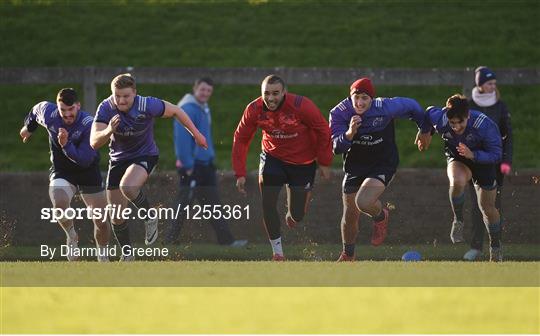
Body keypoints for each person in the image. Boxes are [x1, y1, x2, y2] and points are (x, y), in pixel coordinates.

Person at [90, 73, 207, 261]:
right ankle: (128, 256)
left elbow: (176, 110)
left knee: (128, 186)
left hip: (144, 154)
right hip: (117, 159)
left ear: (135, 93)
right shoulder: (106, 107)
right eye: (117, 95)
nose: (120, 100)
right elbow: (94, 142)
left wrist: (196, 133)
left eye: (126, 96)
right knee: (117, 216)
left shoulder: (147, 105)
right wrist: (109, 130)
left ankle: (149, 215)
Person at [330, 77, 432, 261]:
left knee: (364, 201)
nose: (360, 102)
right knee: (349, 214)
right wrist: (350, 133)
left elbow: (414, 107)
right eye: (356, 98)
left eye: (365, 98)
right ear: (350, 97)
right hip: (355, 165)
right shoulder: (339, 113)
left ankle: (380, 216)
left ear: (372, 98)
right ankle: (348, 256)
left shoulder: (385, 107)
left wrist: (424, 130)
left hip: (382, 162)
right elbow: (336, 148)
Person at [232, 74, 333, 261]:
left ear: (284, 92)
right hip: (272, 158)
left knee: (297, 216)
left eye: (275, 93)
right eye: (266, 93)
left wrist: (325, 161)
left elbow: (322, 129)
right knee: (267, 204)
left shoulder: (302, 105)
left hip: (302, 162)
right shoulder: (253, 109)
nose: (270, 98)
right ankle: (277, 253)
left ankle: (293, 208)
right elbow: (241, 138)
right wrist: (240, 172)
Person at [19, 88, 111, 262]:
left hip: (88, 171)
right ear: (58, 108)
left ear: (78, 106)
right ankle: (71, 235)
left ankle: (103, 255)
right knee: (59, 204)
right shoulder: (49, 113)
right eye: (63, 110)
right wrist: (28, 128)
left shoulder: (88, 124)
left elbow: (84, 160)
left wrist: (66, 144)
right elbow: (35, 111)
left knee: (101, 220)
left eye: (71, 110)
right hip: (62, 171)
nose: (67, 114)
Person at [420, 94, 503, 261]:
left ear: (468, 116)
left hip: (482, 160)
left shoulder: (484, 125)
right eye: (452, 123)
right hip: (457, 157)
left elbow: (496, 154)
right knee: (457, 181)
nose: (456, 127)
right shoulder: (442, 118)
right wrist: (424, 131)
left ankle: (495, 246)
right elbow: (429, 112)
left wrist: (474, 155)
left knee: (487, 208)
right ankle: (458, 220)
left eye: (460, 122)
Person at [165, 77, 247, 247]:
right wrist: (187, 165)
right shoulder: (187, 108)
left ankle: (227, 241)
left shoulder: (203, 108)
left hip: (205, 166)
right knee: (183, 205)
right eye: (202, 89)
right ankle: (169, 241)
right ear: (195, 89)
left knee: (214, 206)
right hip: (193, 167)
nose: (205, 93)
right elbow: (181, 139)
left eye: (209, 91)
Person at [462, 67, 513, 261]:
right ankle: (476, 247)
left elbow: (508, 136)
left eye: (494, 83)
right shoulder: (468, 105)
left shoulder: (500, 106)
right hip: (474, 162)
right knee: (477, 205)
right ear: (480, 84)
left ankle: (496, 245)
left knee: (494, 206)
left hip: (495, 162)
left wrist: (506, 160)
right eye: (489, 83)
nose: (493, 86)